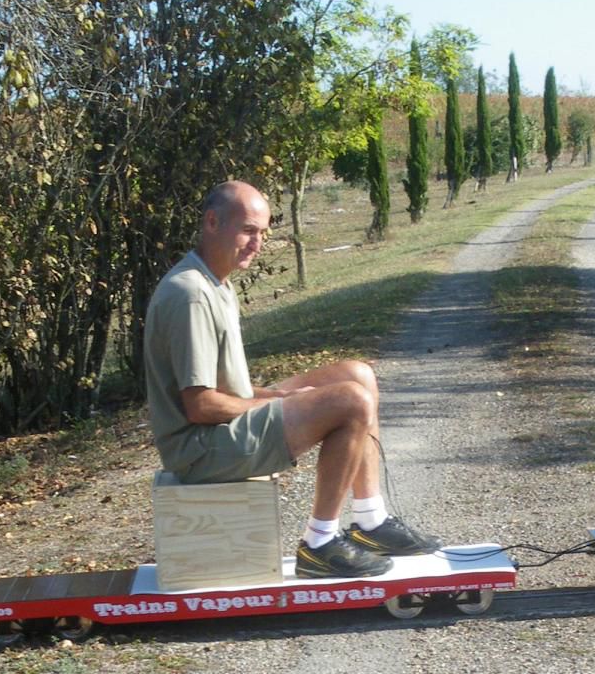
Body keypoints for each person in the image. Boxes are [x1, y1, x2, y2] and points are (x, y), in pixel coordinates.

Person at [144, 179, 438, 579]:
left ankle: (370, 521)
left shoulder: (215, 281)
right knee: (351, 402)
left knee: (357, 375)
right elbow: (200, 406)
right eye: (248, 230)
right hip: (200, 451)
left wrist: (283, 397)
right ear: (212, 222)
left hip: (219, 430)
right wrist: (282, 403)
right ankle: (319, 544)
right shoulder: (191, 294)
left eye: (262, 233)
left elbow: (225, 390)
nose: (257, 243)